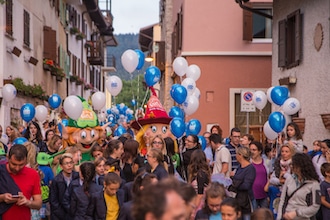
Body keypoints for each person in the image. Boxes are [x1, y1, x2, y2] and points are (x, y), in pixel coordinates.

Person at [0, 144, 42, 220]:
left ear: (26, 160)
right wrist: (2, 198)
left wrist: (28, 202)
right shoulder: (1, 172)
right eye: (14, 164)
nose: (17, 168)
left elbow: (38, 204)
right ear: (7, 158)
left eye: (21, 165)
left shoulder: (33, 174)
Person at [277, 153, 321, 220]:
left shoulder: (314, 184)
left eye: (294, 165)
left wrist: (296, 213)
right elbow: (282, 201)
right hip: (287, 216)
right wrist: (279, 217)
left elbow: (315, 206)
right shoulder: (289, 179)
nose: (291, 166)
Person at [49, 153, 80, 220]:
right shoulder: (56, 180)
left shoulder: (77, 177)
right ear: (61, 166)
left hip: (75, 213)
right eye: (66, 163)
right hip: (60, 214)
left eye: (71, 163)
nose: (69, 165)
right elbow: (53, 200)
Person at [228, 146, 256, 218]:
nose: (236, 156)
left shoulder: (250, 168)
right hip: (238, 200)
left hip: (247, 201)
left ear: (241, 155)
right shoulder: (239, 167)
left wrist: (236, 184)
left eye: (237, 154)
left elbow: (246, 185)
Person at [187, 149, 210, 218]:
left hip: (199, 204)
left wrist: (194, 208)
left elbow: (200, 194)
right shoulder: (199, 173)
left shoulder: (201, 174)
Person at [249, 141, 269, 209]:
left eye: (254, 150)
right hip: (252, 195)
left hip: (264, 194)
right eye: (250, 150)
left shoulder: (266, 162)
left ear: (259, 151)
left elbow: (271, 176)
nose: (252, 152)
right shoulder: (248, 162)